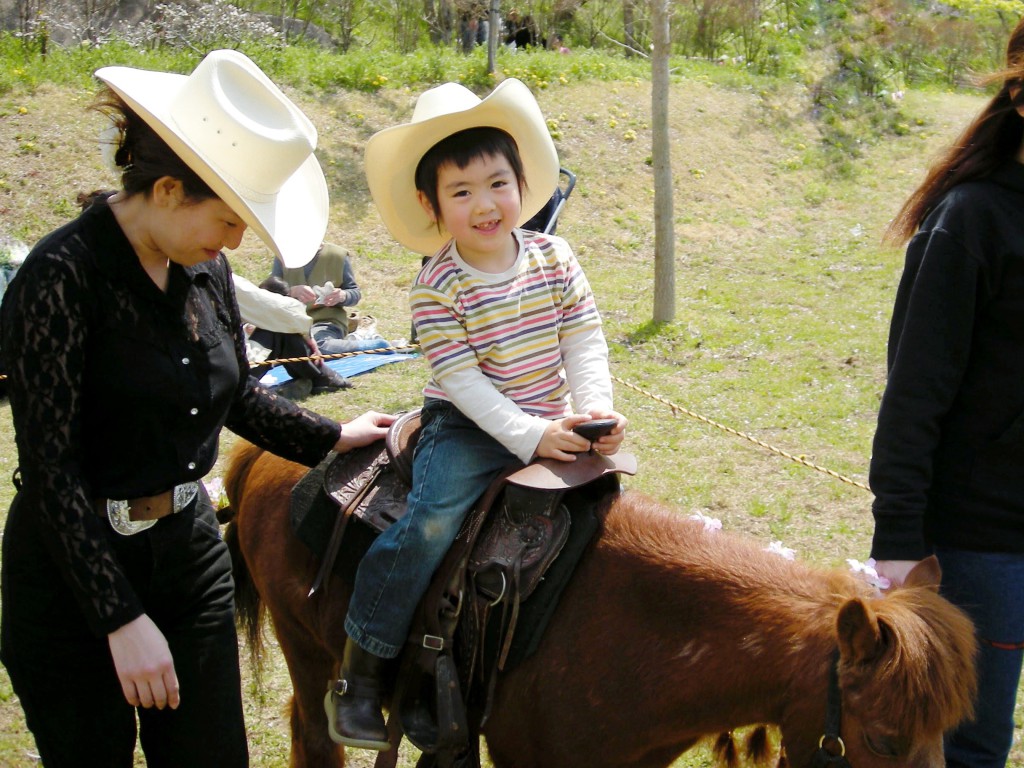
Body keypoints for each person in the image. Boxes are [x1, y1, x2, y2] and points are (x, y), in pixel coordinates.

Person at [0, 49, 394, 768]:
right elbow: (50, 469)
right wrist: (119, 619)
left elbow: (236, 393)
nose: (237, 243)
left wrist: (334, 437)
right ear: (172, 188)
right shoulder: (59, 278)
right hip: (69, 574)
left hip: (186, 553)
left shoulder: (203, 266)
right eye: (229, 220)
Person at [325, 78, 627, 751]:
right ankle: (363, 666)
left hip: (551, 411)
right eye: (461, 193)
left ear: (524, 184)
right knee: (433, 520)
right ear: (432, 206)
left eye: (497, 184)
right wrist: (529, 436)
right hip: (468, 423)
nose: (485, 204)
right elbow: (461, 381)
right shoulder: (437, 285)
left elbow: (582, 336)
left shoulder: (554, 256)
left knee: (610, 514)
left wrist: (593, 408)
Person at [868, 17, 1024, 768]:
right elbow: (914, 394)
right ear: (1019, 94)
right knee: (971, 745)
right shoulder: (969, 222)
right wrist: (899, 536)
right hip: (986, 541)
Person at [233, 273, 352, 396]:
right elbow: (285, 309)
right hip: (227, 376)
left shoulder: (221, 277)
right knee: (280, 324)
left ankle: (318, 377)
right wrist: (309, 337)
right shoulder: (216, 278)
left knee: (280, 323)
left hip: (231, 369)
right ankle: (321, 377)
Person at [271, 241, 392, 357]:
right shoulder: (283, 256)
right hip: (291, 322)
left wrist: (342, 296)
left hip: (326, 322)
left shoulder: (337, 255)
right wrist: (290, 291)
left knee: (316, 347)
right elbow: (269, 295)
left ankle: (370, 346)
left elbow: (355, 293)